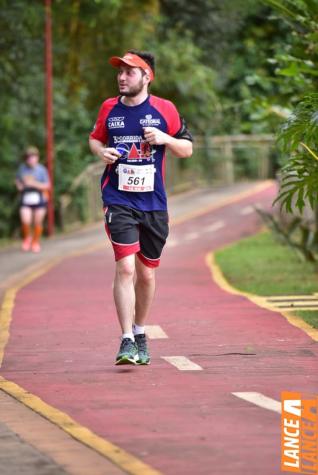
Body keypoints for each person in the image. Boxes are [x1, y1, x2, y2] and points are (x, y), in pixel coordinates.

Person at [89, 50, 193, 365]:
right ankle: (125, 340)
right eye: (119, 72)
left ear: (147, 76)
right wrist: (101, 152)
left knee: (146, 275)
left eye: (129, 72)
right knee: (125, 267)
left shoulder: (165, 109)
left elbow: (186, 149)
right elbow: (94, 139)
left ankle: (140, 331)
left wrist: (165, 138)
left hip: (154, 203)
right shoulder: (109, 108)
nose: (122, 77)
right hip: (118, 198)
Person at [15, 146, 50, 253]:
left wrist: (34, 184)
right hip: (26, 198)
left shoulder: (41, 170)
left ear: (37, 158)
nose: (31, 159)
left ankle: (35, 242)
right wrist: (19, 186)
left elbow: (47, 185)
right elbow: (17, 180)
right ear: (26, 159)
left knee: (37, 221)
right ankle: (27, 239)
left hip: (39, 198)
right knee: (25, 220)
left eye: (33, 157)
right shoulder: (22, 168)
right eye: (29, 157)